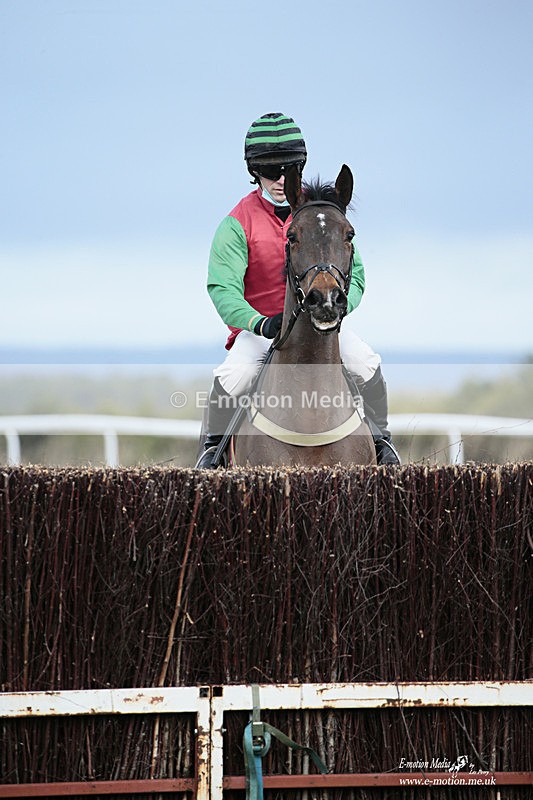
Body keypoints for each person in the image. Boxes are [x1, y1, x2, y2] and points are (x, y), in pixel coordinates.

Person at [196, 112, 400, 467]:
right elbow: (222, 290)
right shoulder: (235, 225)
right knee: (234, 375)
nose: (278, 179)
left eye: (287, 170)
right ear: (254, 172)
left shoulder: (322, 214)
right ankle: (210, 457)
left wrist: (338, 308)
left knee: (366, 362)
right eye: (269, 171)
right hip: (263, 330)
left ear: (299, 168)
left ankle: (383, 447)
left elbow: (357, 273)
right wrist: (261, 324)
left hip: (322, 325)